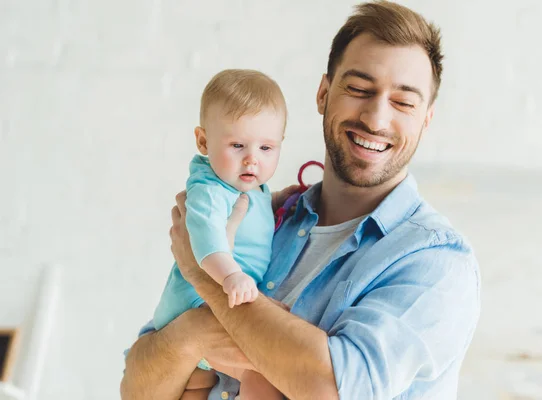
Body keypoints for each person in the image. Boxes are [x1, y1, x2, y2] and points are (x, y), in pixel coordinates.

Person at [121, 2, 481, 399]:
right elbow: (137, 388)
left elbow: (330, 389)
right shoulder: (265, 213)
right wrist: (190, 334)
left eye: (403, 102)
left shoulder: (437, 263)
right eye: (359, 89)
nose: (376, 119)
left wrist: (205, 278)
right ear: (323, 94)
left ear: (426, 120)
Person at [152, 69, 288, 399]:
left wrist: (279, 201)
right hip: (200, 304)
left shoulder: (252, 188)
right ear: (203, 141)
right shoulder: (209, 191)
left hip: (217, 302)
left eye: (267, 148)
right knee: (262, 372)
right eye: (238, 145)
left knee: (197, 385)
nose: (252, 159)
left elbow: (252, 217)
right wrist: (230, 277)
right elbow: (206, 241)